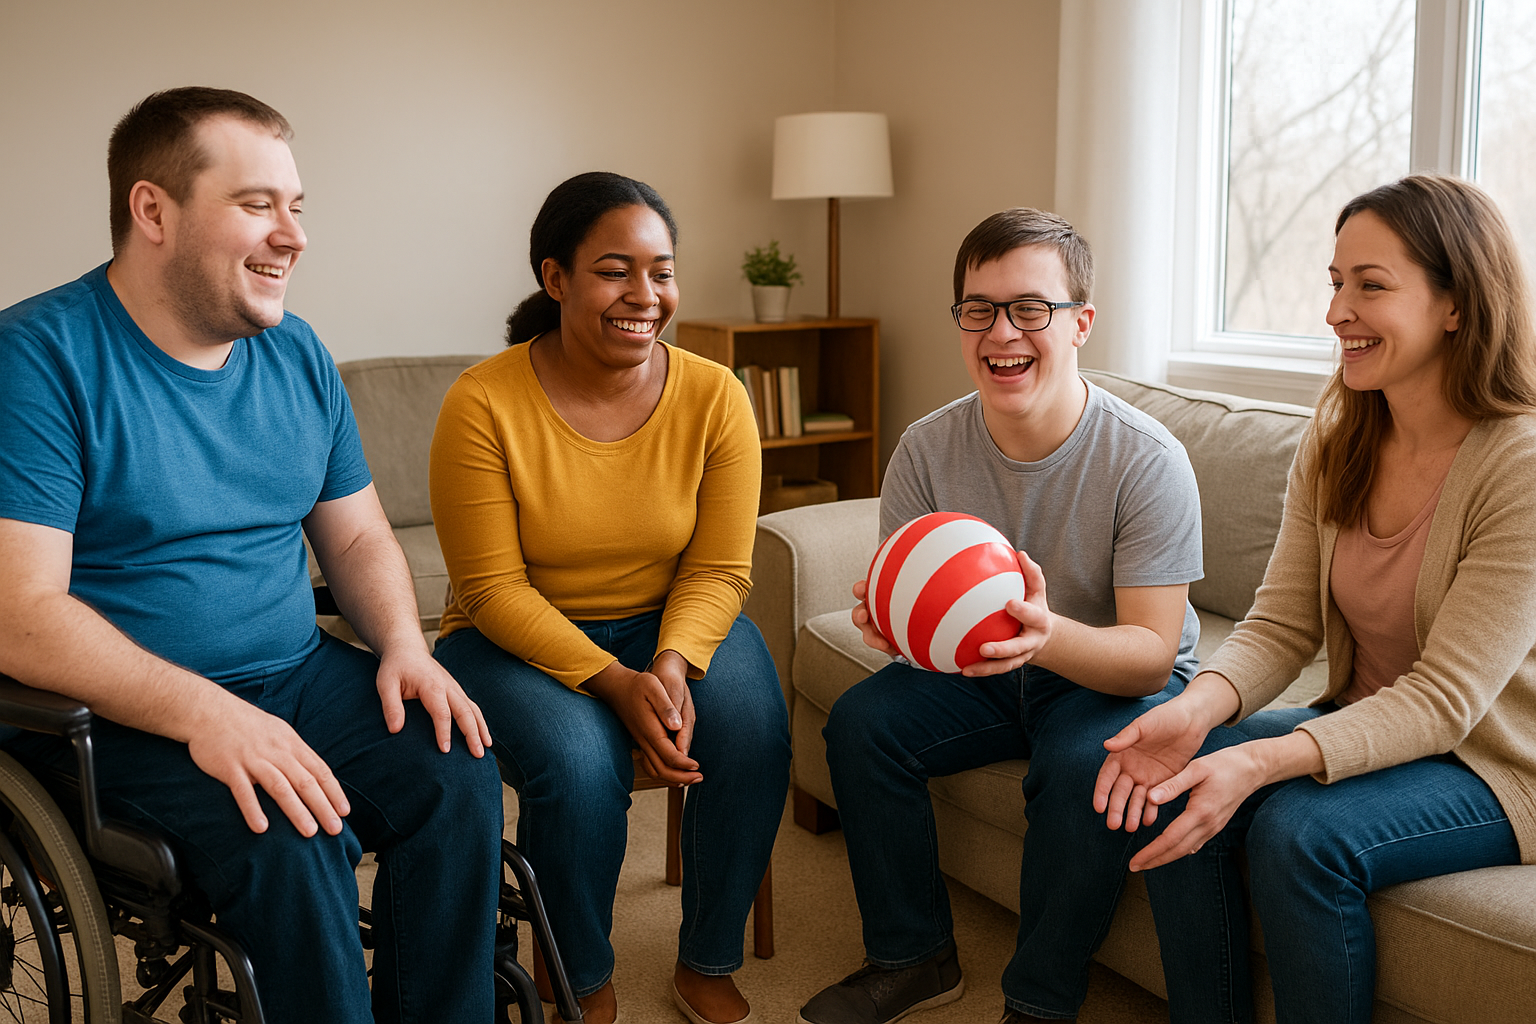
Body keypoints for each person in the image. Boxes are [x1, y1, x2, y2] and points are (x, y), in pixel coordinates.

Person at [0, 87, 503, 1024]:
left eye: (297, 207)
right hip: (113, 717)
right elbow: (19, 616)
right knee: (291, 830)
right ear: (153, 211)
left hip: (294, 673)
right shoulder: (38, 358)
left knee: (455, 767)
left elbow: (354, 533)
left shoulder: (297, 353)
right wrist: (205, 713)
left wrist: (404, 646)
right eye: (257, 204)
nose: (294, 235)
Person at [1095, 174, 1536, 1024]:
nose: (1338, 310)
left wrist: (1260, 757)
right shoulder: (1339, 439)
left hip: (1499, 760)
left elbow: (1446, 703)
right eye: (1336, 283)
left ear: (1456, 304)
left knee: (1300, 836)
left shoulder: (1518, 465)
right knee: (1179, 778)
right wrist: (1196, 712)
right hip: (1369, 717)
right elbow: (1282, 623)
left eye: (1371, 285)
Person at [796, 208, 1204, 1024]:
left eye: (1030, 308)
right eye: (978, 309)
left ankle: (1040, 1001)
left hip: (1103, 674)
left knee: (1085, 768)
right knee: (862, 725)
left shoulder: (1146, 459)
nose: (1000, 331)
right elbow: (914, 609)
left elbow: (1153, 656)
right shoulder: (925, 448)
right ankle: (913, 957)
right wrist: (897, 629)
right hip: (984, 672)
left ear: (1080, 323)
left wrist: (1047, 640)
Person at [429, 170, 791, 1024]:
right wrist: (614, 682)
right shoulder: (481, 402)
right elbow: (490, 589)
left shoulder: (716, 396)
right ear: (555, 279)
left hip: (667, 617)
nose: (645, 295)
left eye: (661, 271)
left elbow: (719, 569)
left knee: (752, 727)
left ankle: (707, 956)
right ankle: (578, 976)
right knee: (581, 767)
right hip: (509, 636)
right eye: (614, 270)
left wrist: (669, 662)